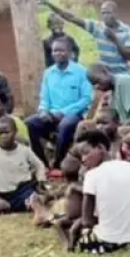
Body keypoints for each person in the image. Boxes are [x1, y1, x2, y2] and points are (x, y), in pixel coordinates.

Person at [26, 38, 93, 170]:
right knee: (28, 124)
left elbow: (86, 99)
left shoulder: (81, 72)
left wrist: (63, 113)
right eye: (54, 51)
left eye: (61, 50)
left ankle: (58, 164)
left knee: (65, 125)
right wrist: (43, 110)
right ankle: (42, 164)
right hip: (50, 113)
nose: (57, 53)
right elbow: (44, 97)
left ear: (70, 52)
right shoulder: (48, 73)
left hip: (74, 114)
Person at [75, 129, 130, 254]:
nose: (83, 159)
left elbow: (87, 221)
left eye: (86, 153)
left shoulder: (92, 175)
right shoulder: (128, 166)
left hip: (108, 242)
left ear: (100, 148)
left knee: (81, 235)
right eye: (81, 156)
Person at [38, 0, 130, 75]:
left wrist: (114, 39)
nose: (105, 16)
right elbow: (71, 18)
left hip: (125, 75)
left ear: (116, 13)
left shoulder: (125, 30)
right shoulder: (98, 27)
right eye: (103, 13)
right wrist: (48, 3)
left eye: (108, 13)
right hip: (110, 76)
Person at [0, 116, 47, 218]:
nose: (3, 136)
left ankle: (36, 209)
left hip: (22, 190)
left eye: (6, 132)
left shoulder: (24, 150)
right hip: (1, 193)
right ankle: (8, 207)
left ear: (15, 132)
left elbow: (39, 165)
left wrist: (41, 181)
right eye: (0, 133)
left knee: (35, 199)